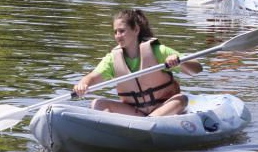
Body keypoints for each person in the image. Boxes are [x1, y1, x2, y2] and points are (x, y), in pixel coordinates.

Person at [73, 9, 202, 116]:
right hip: (135, 113)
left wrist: (179, 62)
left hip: (163, 109)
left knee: (181, 99)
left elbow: (197, 69)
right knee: (98, 104)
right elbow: (92, 77)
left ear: (136, 30)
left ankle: (150, 124)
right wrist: (82, 84)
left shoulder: (158, 51)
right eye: (115, 32)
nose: (118, 35)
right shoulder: (112, 59)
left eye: (122, 31)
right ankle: (140, 126)